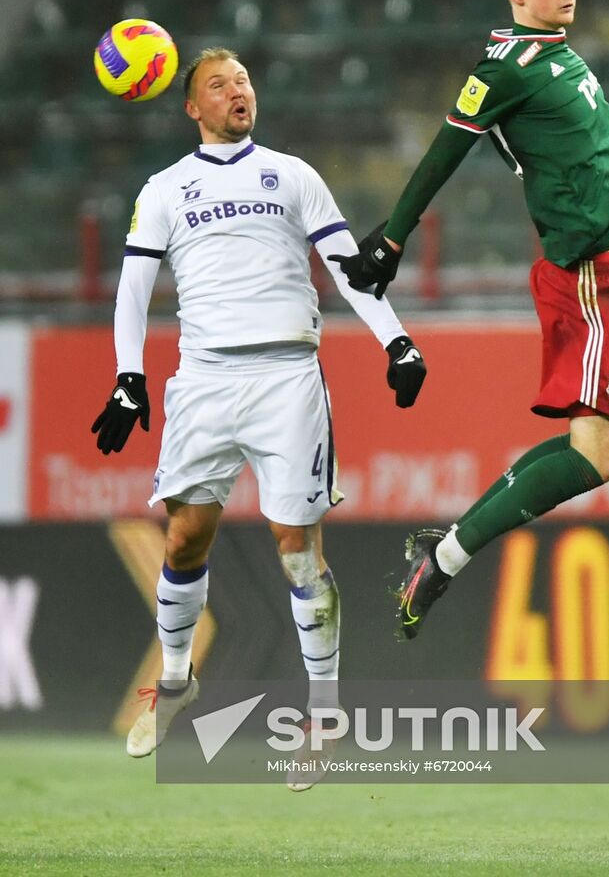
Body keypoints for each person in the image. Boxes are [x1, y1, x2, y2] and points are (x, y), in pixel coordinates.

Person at [91, 47, 427, 788]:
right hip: (205, 378)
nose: (237, 90)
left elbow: (348, 265)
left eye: (243, 79)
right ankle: (176, 682)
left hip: (286, 375)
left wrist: (396, 339)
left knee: (297, 549)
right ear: (192, 107)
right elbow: (131, 291)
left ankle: (323, 715)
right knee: (183, 539)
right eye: (219, 84)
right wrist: (127, 379)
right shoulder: (166, 190)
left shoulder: (293, 174)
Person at [329, 0, 609, 639]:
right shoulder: (503, 68)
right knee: (596, 457)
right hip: (594, 275)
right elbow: (447, 146)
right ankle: (443, 559)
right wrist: (390, 237)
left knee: (588, 452)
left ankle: (441, 553)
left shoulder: (553, 56)